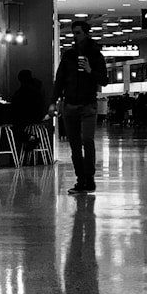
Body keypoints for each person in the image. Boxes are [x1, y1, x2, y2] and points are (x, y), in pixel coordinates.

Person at [52, 20, 106, 195]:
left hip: (88, 104)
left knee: (87, 141)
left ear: (86, 33)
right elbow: (59, 80)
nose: (75, 36)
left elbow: (104, 80)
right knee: (74, 145)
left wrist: (90, 70)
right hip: (70, 105)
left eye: (78, 33)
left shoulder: (96, 56)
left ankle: (89, 178)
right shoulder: (68, 56)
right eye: (73, 33)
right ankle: (80, 179)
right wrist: (54, 101)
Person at [8, 69, 49, 153]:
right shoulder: (37, 87)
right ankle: (31, 138)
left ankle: (31, 138)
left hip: (29, 117)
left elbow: (16, 100)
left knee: (14, 127)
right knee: (17, 125)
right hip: (38, 116)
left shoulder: (24, 89)